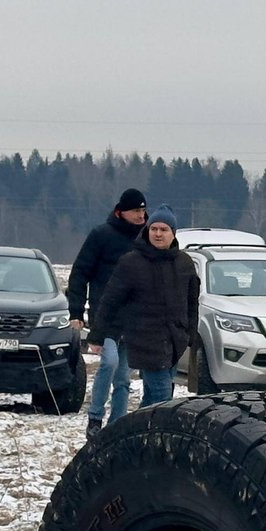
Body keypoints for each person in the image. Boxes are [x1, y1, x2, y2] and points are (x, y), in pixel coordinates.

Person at [94, 205, 200, 416]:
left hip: (174, 340)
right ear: (147, 231)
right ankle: (157, 433)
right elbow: (110, 300)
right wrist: (97, 335)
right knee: (162, 398)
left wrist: (190, 333)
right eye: (154, 229)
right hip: (144, 340)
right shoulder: (131, 262)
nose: (158, 234)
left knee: (152, 399)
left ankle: (131, 432)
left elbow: (192, 302)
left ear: (173, 233)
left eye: (164, 229)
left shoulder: (184, 263)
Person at [70, 187, 147, 437]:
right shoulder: (101, 235)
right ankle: (95, 417)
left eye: (143, 210)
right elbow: (80, 272)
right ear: (120, 211)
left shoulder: (146, 238)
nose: (141, 215)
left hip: (134, 319)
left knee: (123, 377)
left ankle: (117, 425)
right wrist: (76, 311)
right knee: (109, 363)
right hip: (106, 316)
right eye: (135, 211)